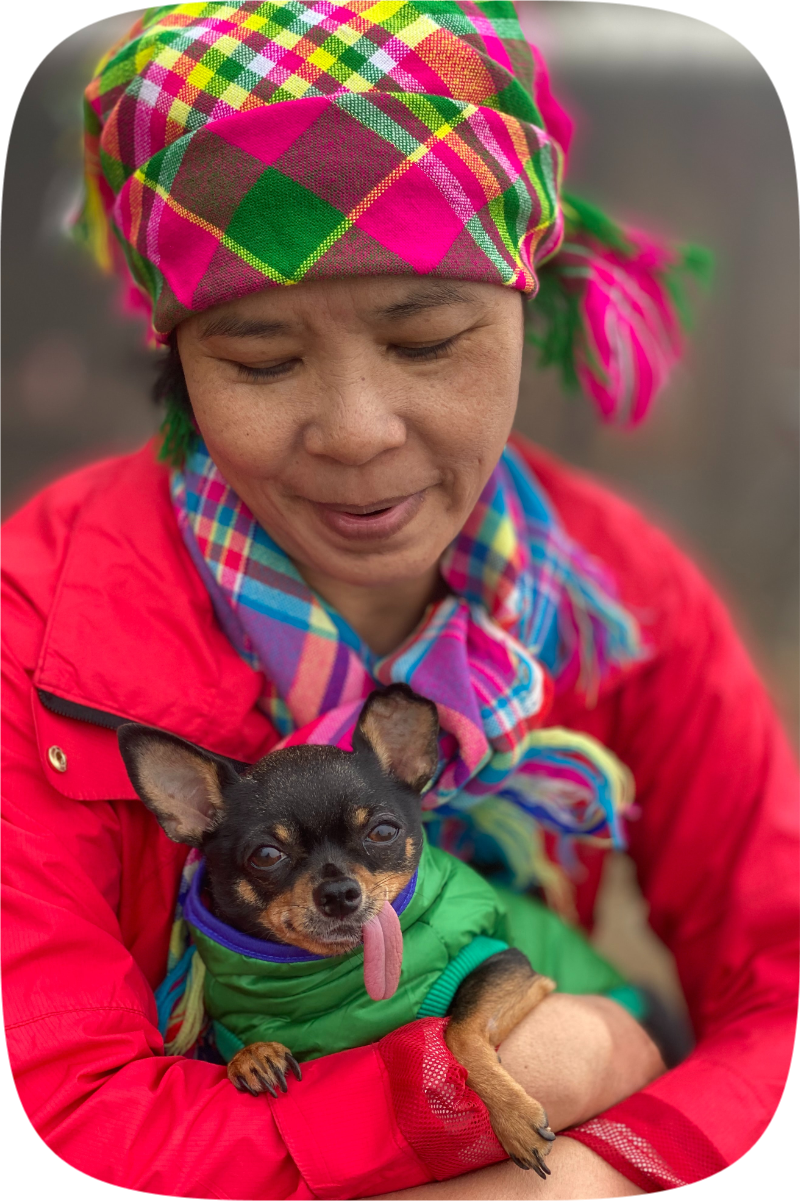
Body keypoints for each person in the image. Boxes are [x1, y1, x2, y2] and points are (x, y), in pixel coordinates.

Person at [2, 4, 796, 1198]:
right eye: (260, 361)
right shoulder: (34, 627)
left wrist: (610, 1168)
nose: (359, 433)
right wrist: (530, 1071)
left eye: (427, 340)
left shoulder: (618, 596)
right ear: (176, 361)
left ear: (528, 311)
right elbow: (62, 1105)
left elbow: (778, 986)